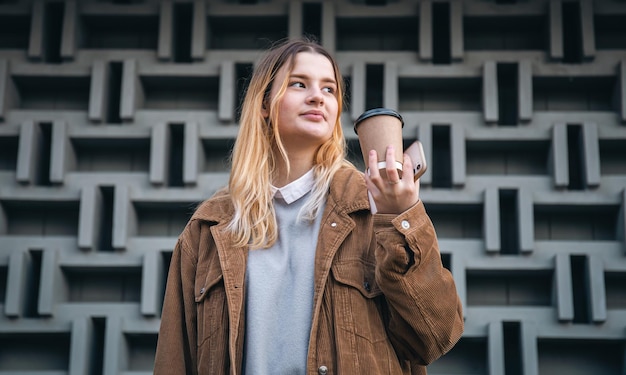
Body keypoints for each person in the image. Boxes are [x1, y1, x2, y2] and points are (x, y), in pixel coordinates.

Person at [154, 37, 463, 375]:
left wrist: (401, 219)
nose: (318, 96)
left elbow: (436, 337)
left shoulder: (370, 209)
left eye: (329, 89)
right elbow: (174, 360)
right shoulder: (209, 229)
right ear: (265, 104)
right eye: (299, 84)